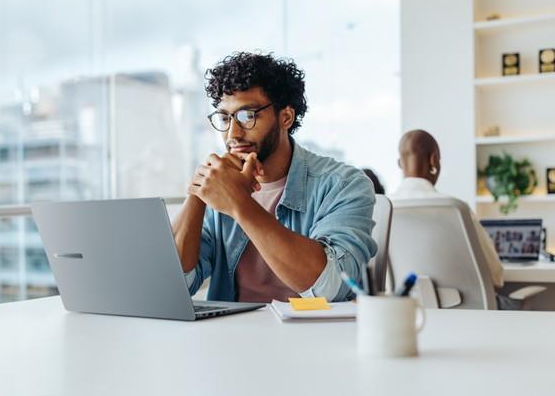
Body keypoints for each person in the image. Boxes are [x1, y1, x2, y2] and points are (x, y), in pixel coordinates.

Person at [172, 52, 377, 303]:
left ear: (286, 117)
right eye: (225, 118)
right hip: (232, 335)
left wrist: (239, 204)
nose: (232, 134)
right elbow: (174, 285)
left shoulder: (343, 185)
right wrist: (198, 194)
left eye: (248, 116)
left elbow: (329, 286)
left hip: (314, 337)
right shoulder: (219, 188)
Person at [390, 129, 517, 309]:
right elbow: (496, 275)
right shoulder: (455, 208)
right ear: (434, 160)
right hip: (475, 318)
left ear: (399, 164)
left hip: (410, 315)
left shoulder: (386, 209)